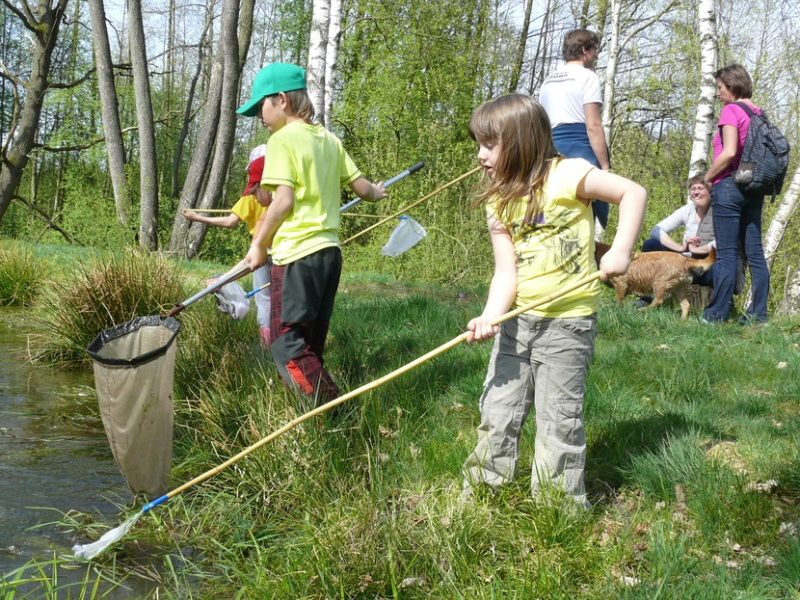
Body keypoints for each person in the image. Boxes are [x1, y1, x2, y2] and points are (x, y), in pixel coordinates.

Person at [461, 94, 646, 507]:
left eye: (489, 145)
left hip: (567, 326)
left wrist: (620, 250)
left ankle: (556, 507)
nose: (480, 155)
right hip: (516, 325)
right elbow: (506, 271)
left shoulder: (569, 174)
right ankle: (482, 489)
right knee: (497, 410)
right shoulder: (498, 200)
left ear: (522, 140)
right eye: (479, 144)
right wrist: (492, 314)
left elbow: (633, 192)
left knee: (559, 420)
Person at [238, 63, 387, 403]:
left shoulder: (281, 140)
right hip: (330, 255)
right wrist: (377, 192)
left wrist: (259, 244)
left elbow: (283, 201)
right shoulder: (329, 140)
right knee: (309, 341)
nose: (259, 116)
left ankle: (333, 408)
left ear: (281, 100)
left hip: (297, 255)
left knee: (283, 339)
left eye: (260, 106)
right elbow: (362, 187)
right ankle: (316, 421)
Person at [183, 145, 273, 347]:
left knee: (265, 299)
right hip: (261, 249)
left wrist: (197, 217)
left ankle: (271, 347)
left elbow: (231, 222)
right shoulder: (263, 194)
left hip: (264, 248)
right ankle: (271, 346)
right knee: (272, 298)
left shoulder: (252, 197)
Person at [702, 63, 770, 324]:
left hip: (729, 185)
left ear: (731, 85)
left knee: (728, 252)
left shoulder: (731, 110)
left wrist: (708, 178)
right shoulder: (759, 113)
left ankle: (717, 314)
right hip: (753, 185)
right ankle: (759, 314)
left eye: (720, 87)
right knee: (755, 252)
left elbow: (730, 152)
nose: (718, 93)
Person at [539, 28, 611, 229]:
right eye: (595, 50)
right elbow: (594, 126)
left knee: (556, 209)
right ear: (586, 49)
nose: (596, 56)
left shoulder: (548, 80)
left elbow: (542, 122)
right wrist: (605, 167)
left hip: (550, 151)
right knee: (586, 211)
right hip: (579, 147)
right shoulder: (588, 77)